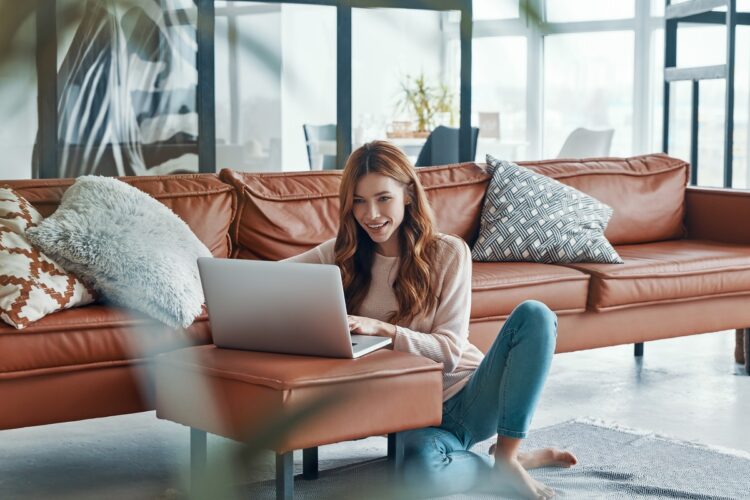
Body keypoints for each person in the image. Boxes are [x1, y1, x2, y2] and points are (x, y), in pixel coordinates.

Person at [284, 140, 577, 499]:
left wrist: (386, 331)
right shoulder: (339, 253)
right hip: (411, 412)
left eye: (383, 198)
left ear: (407, 194)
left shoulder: (448, 252)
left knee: (536, 315)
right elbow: (266, 281)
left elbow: (450, 352)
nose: (371, 214)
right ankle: (502, 466)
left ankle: (508, 454)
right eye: (359, 201)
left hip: (468, 394)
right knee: (422, 476)